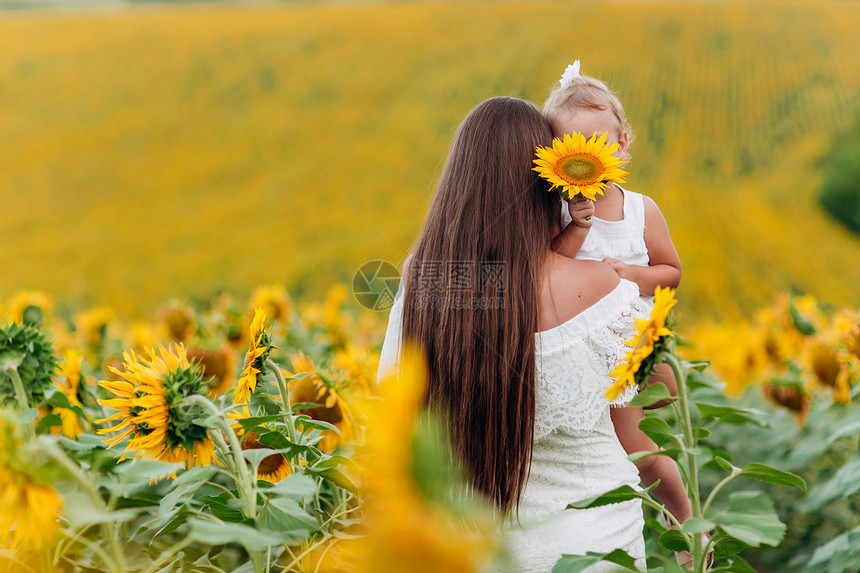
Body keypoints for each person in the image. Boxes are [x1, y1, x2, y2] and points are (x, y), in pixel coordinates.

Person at [377, 96, 691, 572]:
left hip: (470, 548)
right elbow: (653, 420)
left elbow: (395, 416)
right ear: (549, 183)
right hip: (592, 547)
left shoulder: (424, 279)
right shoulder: (600, 286)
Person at [545, 61, 682, 306]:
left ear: (621, 144)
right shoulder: (557, 211)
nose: (584, 157)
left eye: (596, 143)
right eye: (570, 148)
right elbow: (549, 271)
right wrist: (577, 227)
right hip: (580, 338)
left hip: (633, 338)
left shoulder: (641, 210)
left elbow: (671, 272)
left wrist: (632, 275)